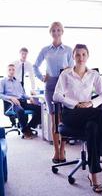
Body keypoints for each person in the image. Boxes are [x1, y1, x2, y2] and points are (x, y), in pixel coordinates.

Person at [53, 44, 102, 193]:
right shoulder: (66, 74)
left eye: (83, 55)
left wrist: (91, 103)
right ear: (73, 57)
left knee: (93, 127)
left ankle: (93, 174)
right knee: (100, 114)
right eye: (77, 55)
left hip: (87, 114)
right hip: (70, 114)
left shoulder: (93, 74)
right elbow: (56, 96)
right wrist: (76, 104)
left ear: (87, 56)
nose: (81, 58)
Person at [33, 21, 74, 163]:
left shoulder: (68, 50)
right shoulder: (45, 50)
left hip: (64, 86)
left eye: (58, 30)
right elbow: (35, 66)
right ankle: (56, 151)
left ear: (62, 32)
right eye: (53, 30)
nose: (56, 33)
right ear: (50, 33)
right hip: (50, 85)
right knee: (54, 119)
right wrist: (41, 77)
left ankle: (63, 149)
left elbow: (72, 69)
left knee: (63, 119)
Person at [0, 64, 41, 139]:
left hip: (22, 102)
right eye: (9, 70)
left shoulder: (17, 82)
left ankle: (28, 127)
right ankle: (25, 131)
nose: (11, 71)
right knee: (20, 110)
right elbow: (0, 94)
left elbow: (22, 94)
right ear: (6, 71)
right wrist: (11, 98)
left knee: (39, 108)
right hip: (12, 104)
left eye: (13, 70)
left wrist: (29, 98)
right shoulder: (3, 81)